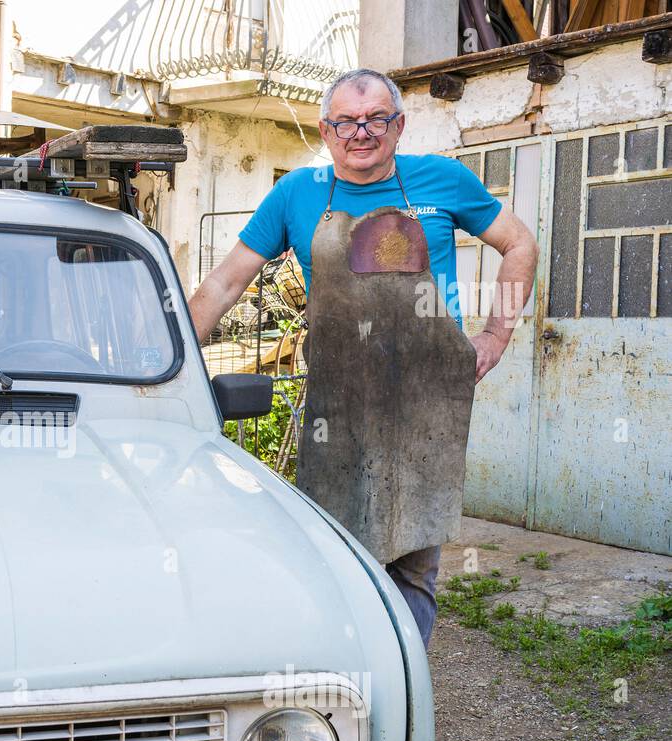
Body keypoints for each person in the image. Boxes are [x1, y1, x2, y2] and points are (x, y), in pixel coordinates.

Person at [189, 67, 538, 647]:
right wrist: (171, 360)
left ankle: (404, 693)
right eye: (346, 121)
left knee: (412, 565)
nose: (362, 131)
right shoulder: (296, 194)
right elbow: (225, 285)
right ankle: (346, 691)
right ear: (326, 131)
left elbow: (519, 242)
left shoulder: (442, 180)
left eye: (376, 117)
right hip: (339, 402)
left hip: (427, 403)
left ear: (398, 126)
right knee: (331, 554)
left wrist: (496, 335)